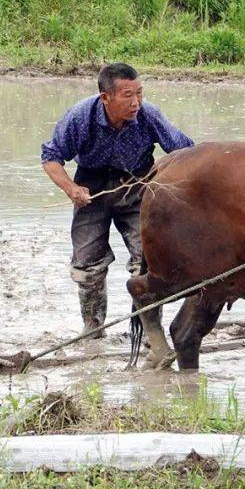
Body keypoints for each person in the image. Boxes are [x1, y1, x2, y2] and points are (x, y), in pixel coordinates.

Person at [41, 63, 194, 337]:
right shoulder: (80, 117)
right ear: (105, 98)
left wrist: (166, 182)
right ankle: (93, 331)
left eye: (139, 93)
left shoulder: (149, 116)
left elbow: (185, 152)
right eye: (127, 95)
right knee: (88, 265)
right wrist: (71, 188)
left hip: (137, 185)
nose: (136, 102)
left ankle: (149, 333)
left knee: (146, 262)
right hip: (91, 187)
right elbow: (51, 157)